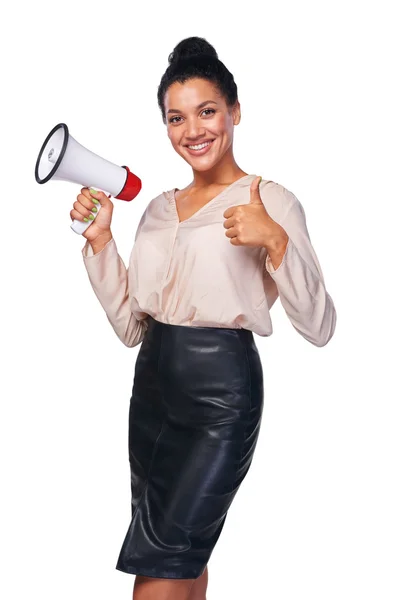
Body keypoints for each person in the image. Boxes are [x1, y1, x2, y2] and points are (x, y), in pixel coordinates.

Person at [71, 36, 336, 600]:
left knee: (161, 566)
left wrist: (275, 240)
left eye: (207, 111)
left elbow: (319, 325)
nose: (193, 129)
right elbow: (131, 328)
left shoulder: (270, 200)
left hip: (221, 396)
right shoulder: (158, 210)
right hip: (152, 392)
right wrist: (100, 242)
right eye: (176, 117)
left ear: (235, 111)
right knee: (185, 560)